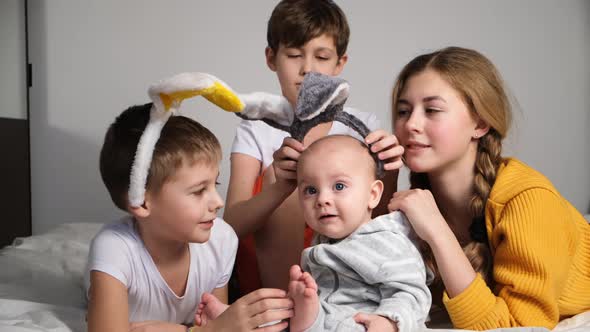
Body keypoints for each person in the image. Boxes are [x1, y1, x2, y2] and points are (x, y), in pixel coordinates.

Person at [387, 46, 590, 330]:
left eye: (432, 110)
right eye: (403, 110)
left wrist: (437, 231)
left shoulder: (528, 201)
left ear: (480, 123)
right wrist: (381, 183)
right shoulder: (418, 199)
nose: (411, 124)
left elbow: (518, 325)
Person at [224, 0, 401, 295]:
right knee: (284, 179)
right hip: (273, 283)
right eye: (294, 55)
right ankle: (292, 310)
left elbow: (380, 221)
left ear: (340, 64)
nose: (307, 69)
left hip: (347, 280)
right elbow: (229, 228)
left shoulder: (363, 126)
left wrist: (391, 169)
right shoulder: (256, 128)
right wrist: (280, 187)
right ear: (271, 58)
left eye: (321, 57)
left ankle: (339, 302)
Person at [85, 103, 294, 332]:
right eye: (198, 191)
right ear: (143, 202)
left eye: (215, 184)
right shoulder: (114, 248)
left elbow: (213, 320)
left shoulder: (221, 239)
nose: (218, 202)